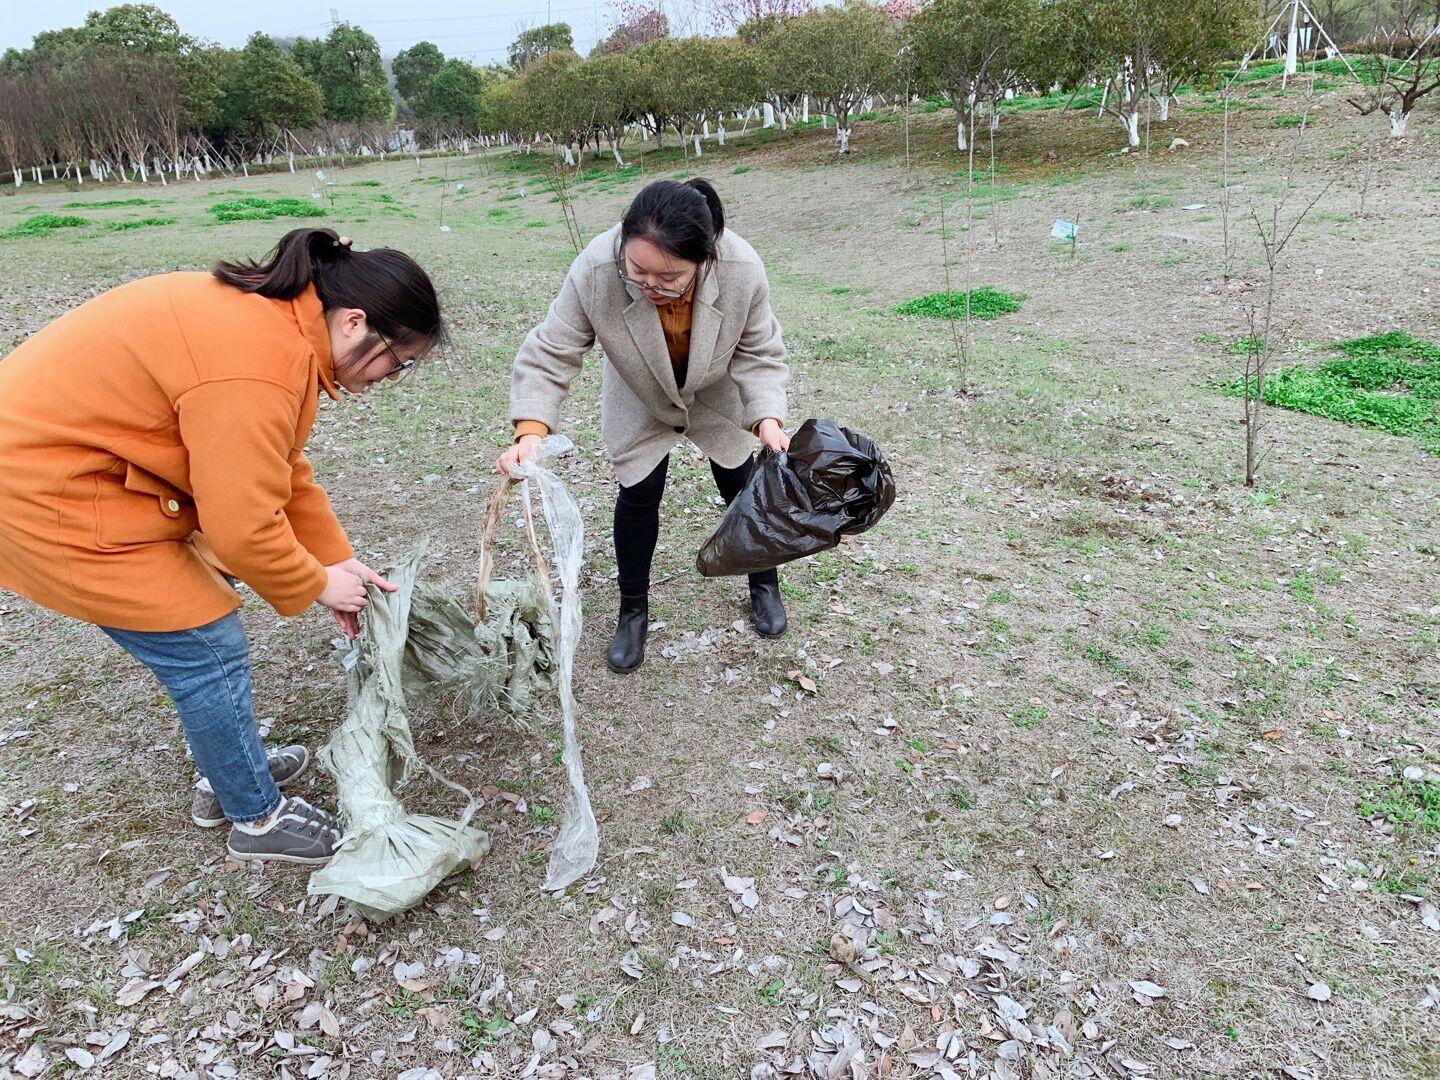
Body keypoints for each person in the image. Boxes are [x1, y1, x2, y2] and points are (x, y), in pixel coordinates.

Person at [0, 227, 444, 865]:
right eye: (393, 362)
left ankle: (229, 769)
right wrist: (319, 584)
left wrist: (334, 558)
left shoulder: (280, 329)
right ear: (354, 323)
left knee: (203, 635)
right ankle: (253, 815)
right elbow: (241, 526)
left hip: (82, 473)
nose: (386, 379)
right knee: (205, 646)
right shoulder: (257, 362)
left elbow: (281, 468)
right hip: (46, 495)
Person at [499, 178, 791, 673]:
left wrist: (766, 418)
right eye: (637, 271)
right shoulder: (595, 268)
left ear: (705, 260)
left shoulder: (741, 268)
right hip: (640, 388)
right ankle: (632, 608)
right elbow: (552, 351)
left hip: (715, 389)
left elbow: (759, 351)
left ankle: (763, 582)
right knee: (639, 493)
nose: (650, 285)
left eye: (669, 277)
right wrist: (531, 431)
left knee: (741, 485)